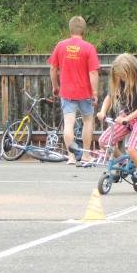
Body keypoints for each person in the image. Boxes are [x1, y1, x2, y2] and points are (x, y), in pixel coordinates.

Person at [96, 54, 137, 194]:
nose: (121, 78)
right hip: (127, 117)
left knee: (132, 149)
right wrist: (102, 111)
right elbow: (110, 97)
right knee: (104, 141)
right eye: (119, 76)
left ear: (132, 71)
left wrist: (128, 118)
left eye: (123, 75)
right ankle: (123, 163)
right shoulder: (119, 82)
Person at [48, 16, 100, 165]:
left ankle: (71, 157)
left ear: (70, 29)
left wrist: (55, 86)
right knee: (88, 121)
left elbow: (53, 68)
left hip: (67, 92)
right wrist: (95, 92)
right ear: (84, 30)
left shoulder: (60, 46)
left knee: (68, 123)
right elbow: (93, 72)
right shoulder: (88, 48)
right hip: (85, 92)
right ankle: (85, 155)